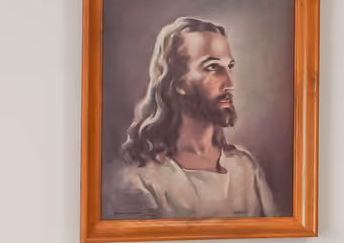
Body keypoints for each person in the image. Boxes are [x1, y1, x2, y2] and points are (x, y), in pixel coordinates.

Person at [106, 17, 279, 219]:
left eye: (229, 67)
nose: (230, 83)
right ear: (178, 82)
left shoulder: (244, 168)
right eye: (213, 68)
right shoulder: (141, 181)